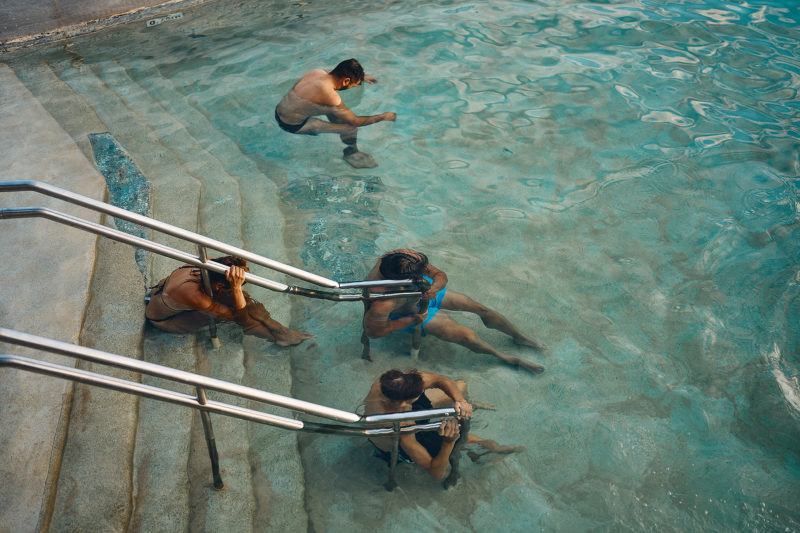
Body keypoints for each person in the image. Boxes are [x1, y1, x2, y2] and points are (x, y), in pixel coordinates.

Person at [363, 249, 546, 374]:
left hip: (427, 292)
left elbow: (440, 275)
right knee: (469, 337)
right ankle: (506, 358)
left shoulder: (407, 259)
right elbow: (374, 331)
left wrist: (434, 288)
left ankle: (518, 336)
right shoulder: (381, 299)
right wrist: (411, 320)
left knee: (480, 309)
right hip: (409, 314)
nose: (424, 271)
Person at [361, 369, 522, 479]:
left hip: (405, 408)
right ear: (406, 402)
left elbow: (440, 379)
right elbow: (435, 473)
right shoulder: (402, 425)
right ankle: (482, 451)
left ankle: (467, 405)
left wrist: (460, 400)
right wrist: (448, 442)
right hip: (399, 442)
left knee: (460, 386)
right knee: (470, 440)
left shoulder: (390, 381)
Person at [145, 256, 313, 346]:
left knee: (244, 300)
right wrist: (236, 288)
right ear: (218, 285)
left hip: (165, 296)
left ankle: (281, 331)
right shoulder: (196, 297)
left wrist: (237, 290)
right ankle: (276, 336)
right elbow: (240, 318)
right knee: (233, 312)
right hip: (164, 321)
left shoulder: (208, 263)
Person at [275, 58, 396, 168]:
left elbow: (333, 72)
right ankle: (352, 153)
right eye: (352, 84)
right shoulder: (331, 97)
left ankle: (341, 134)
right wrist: (383, 116)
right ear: (346, 81)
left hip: (281, 111)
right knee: (350, 128)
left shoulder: (316, 72)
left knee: (332, 110)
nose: (350, 87)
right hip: (292, 125)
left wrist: (361, 77)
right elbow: (355, 121)